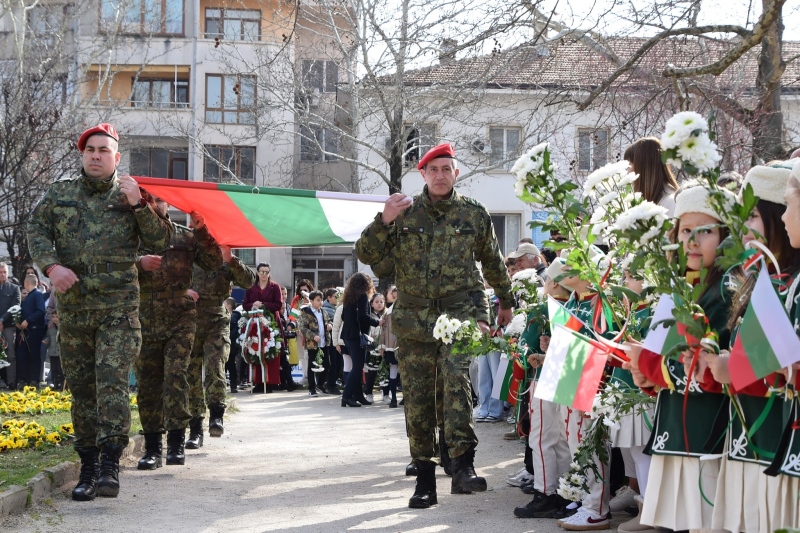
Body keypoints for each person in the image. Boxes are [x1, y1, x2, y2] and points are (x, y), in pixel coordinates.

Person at [356, 142, 513, 509]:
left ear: (456, 174)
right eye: (434, 170)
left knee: (456, 379)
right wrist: (384, 220)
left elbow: (491, 260)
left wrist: (506, 300)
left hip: (461, 313)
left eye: (447, 169)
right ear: (422, 175)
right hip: (414, 319)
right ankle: (425, 477)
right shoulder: (404, 215)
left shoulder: (473, 214)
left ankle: (463, 466)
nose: (440, 175)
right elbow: (367, 255)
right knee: (419, 396)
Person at [27, 122, 173, 501]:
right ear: (82, 154)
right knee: (82, 389)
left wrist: (141, 204)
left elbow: (162, 240)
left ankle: (110, 464)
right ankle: (87, 465)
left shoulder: (133, 195)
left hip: (118, 306)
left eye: (103, 150)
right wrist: (51, 267)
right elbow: (37, 230)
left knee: (110, 381)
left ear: (116, 157)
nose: (96, 155)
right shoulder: (60, 194)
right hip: (75, 309)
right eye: (90, 149)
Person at [625, 183, 737, 531]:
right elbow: (665, 355)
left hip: (704, 432)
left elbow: (705, 371)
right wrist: (645, 376)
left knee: (701, 520)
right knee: (677, 522)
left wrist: (647, 365)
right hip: (677, 425)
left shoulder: (724, 291)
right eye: (686, 230)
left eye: (705, 231)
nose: (692, 240)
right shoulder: (683, 288)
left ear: (726, 236)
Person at [134, 194, 222, 470]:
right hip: (145, 316)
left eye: (160, 200)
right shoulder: (133, 238)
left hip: (180, 316)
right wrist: (138, 263)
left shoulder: (184, 237)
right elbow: (113, 265)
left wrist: (202, 231)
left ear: (168, 204)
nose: (155, 204)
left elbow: (213, 261)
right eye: (148, 200)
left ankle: (175, 443)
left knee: (175, 376)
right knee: (148, 383)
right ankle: (151, 448)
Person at [185, 245, 255, 448]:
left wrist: (231, 259)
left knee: (216, 367)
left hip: (217, 320)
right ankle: (196, 428)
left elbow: (248, 281)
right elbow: (170, 275)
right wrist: (182, 290)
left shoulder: (223, 256)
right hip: (189, 320)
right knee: (191, 376)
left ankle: (216, 415)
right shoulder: (188, 250)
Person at [340, 272, 380, 407]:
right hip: (356, 337)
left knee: (356, 366)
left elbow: (344, 317)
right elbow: (363, 317)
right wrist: (377, 322)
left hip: (347, 335)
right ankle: (346, 396)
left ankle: (358, 395)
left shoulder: (348, 298)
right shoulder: (362, 297)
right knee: (357, 367)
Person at [242, 263, 283, 393]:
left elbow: (278, 304)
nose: (264, 274)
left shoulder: (275, 287)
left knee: (270, 349)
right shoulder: (251, 287)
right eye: (262, 272)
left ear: (269, 273)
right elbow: (244, 305)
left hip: (271, 323)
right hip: (254, 324)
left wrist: (263, 304)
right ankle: (257, 382)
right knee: (255, 349)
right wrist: (253, 305)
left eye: (266, 272)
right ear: (257, 273)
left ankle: (269, 382)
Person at [623, 137, 680, 215]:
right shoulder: (646, 202)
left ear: (643, 168)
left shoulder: (670, 203)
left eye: (629, 166)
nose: (627, 172)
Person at [298, 290, 333, 396]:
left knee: (327, 364)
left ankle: (320, 384)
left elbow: (328, 321)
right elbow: (302, 328)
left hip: (324, 342)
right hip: (313, 344)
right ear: (312, 301)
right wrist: (313, 336)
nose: (320, 302)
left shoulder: (323, 312)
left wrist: (329, 325)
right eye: (318, 300)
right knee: (312, 365)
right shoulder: (306, 312)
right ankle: (311, 388)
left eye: (321, 300)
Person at [16, 274, 46, 388]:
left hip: (34, 330)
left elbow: (40, 311)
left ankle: (34, 380)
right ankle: (25, 379)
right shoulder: (30, 296)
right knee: (24, 355)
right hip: (26, 330)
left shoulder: (37, 294)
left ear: (26, 283)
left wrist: (28, 320)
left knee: (34, 356)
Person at [0, 263, 21, 390]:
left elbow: (16, 306)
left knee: (10, 354)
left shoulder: (14, 288)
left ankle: (11, 381)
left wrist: (2, 319)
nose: (2, 274)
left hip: (8, 326)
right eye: (0, 272)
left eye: (4, 272)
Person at [321, 288, 342, 394]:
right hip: (331, 340)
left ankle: (331, 382)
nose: (338, 299)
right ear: (329, 298)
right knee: (334, 363)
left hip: (339, 339)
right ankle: (330, 384)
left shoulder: (337, 308)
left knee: (339, 363)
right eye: (335, 296)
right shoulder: (325, 309)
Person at [43, 309, 63, 390]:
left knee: (60, 369)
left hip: (60, 352)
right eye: (53, 317)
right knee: (54, 369)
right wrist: (47, 340)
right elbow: (48, 336)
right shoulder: (50, 327)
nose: (55, 319)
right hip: (52, 351)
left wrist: (59, 327)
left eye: (57, 317)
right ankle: (55, 384)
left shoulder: (62, 327)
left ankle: (61, 385)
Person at [225, 297, 241, 394]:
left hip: (231, 345)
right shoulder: (222, 315)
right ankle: (222, 385)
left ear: (229, 306)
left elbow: (235, 330)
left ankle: (233, 385)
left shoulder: (235, 317)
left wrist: (228, 337)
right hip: (223, 344)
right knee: (223, 366)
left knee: (231, 365)